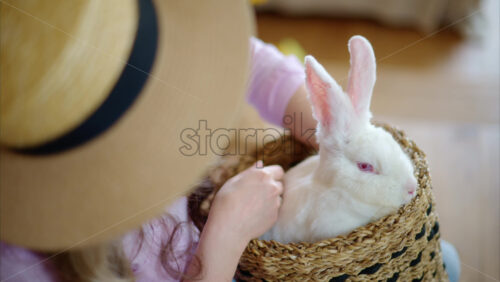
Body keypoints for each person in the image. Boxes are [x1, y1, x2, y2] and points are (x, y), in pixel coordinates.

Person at [0, 1, 459, 281]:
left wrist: (337, 134)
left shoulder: (119, 35)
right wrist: (222, 242)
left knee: (448, 262)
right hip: (219, 261)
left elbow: (253, 63)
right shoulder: (21, 262)